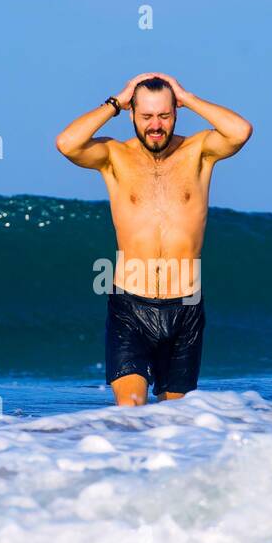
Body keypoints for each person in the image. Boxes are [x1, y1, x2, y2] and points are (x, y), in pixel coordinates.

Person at [55, 72, 253, 405]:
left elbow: (241, 131)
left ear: (176, 112)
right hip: (130, 306)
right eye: (146, 116)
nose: (156, 125)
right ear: (132, 114)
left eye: (164, 115)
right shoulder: (113, 157)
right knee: (131, 412)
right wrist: (116, 101)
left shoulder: (200, 151)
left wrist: (186, 96)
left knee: (173, 423)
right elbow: (67, 143)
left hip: (186, 307)